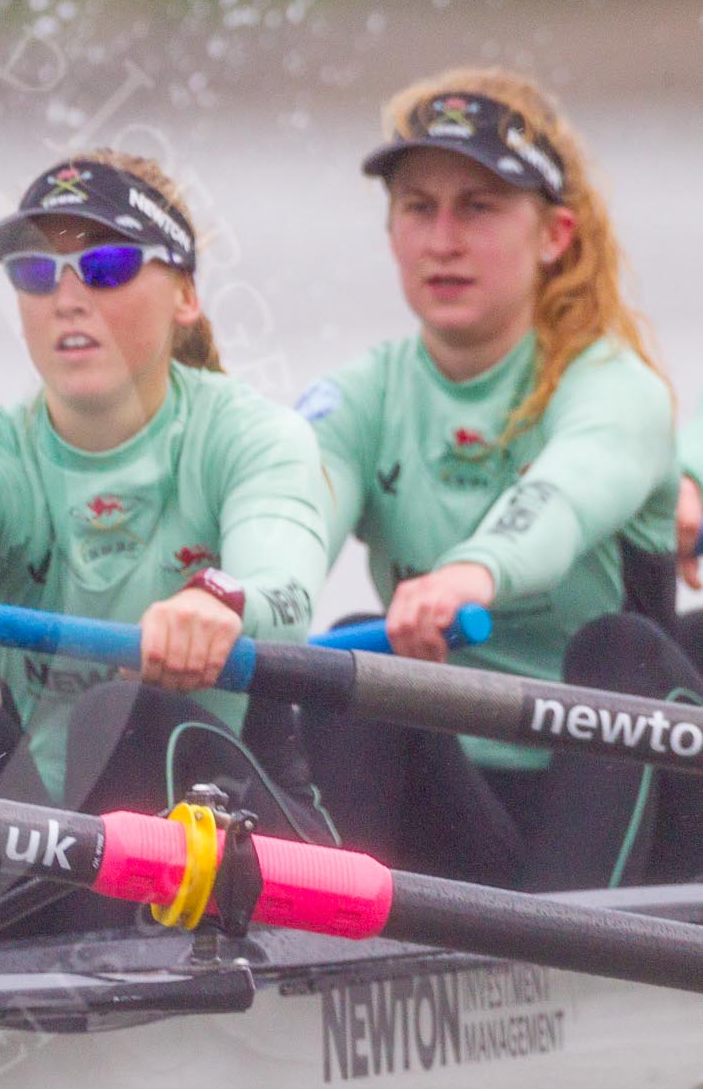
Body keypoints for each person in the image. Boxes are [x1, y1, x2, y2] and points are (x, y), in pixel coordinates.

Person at [0, 151, 337, 931]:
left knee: (128, 710)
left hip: (247, 847)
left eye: (105, 265)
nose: (67, 296)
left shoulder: (251, 437)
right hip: (60, 856)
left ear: (184, 296)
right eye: (37, 273)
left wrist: (218, 600)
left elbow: (286, 579)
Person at [296, 67, 696, 889]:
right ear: (392, 234)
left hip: (641, 820)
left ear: (553, 235)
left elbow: (563, 495)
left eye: (477, 208)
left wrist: (471, 574)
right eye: (419, 208)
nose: (443, 239)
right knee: (358, 650)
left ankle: (579, 955)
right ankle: (317, 956)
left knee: (621, 649)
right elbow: (288, 515)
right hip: (470, 811)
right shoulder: (361, 396)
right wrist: (219, 598)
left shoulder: (614, 386)